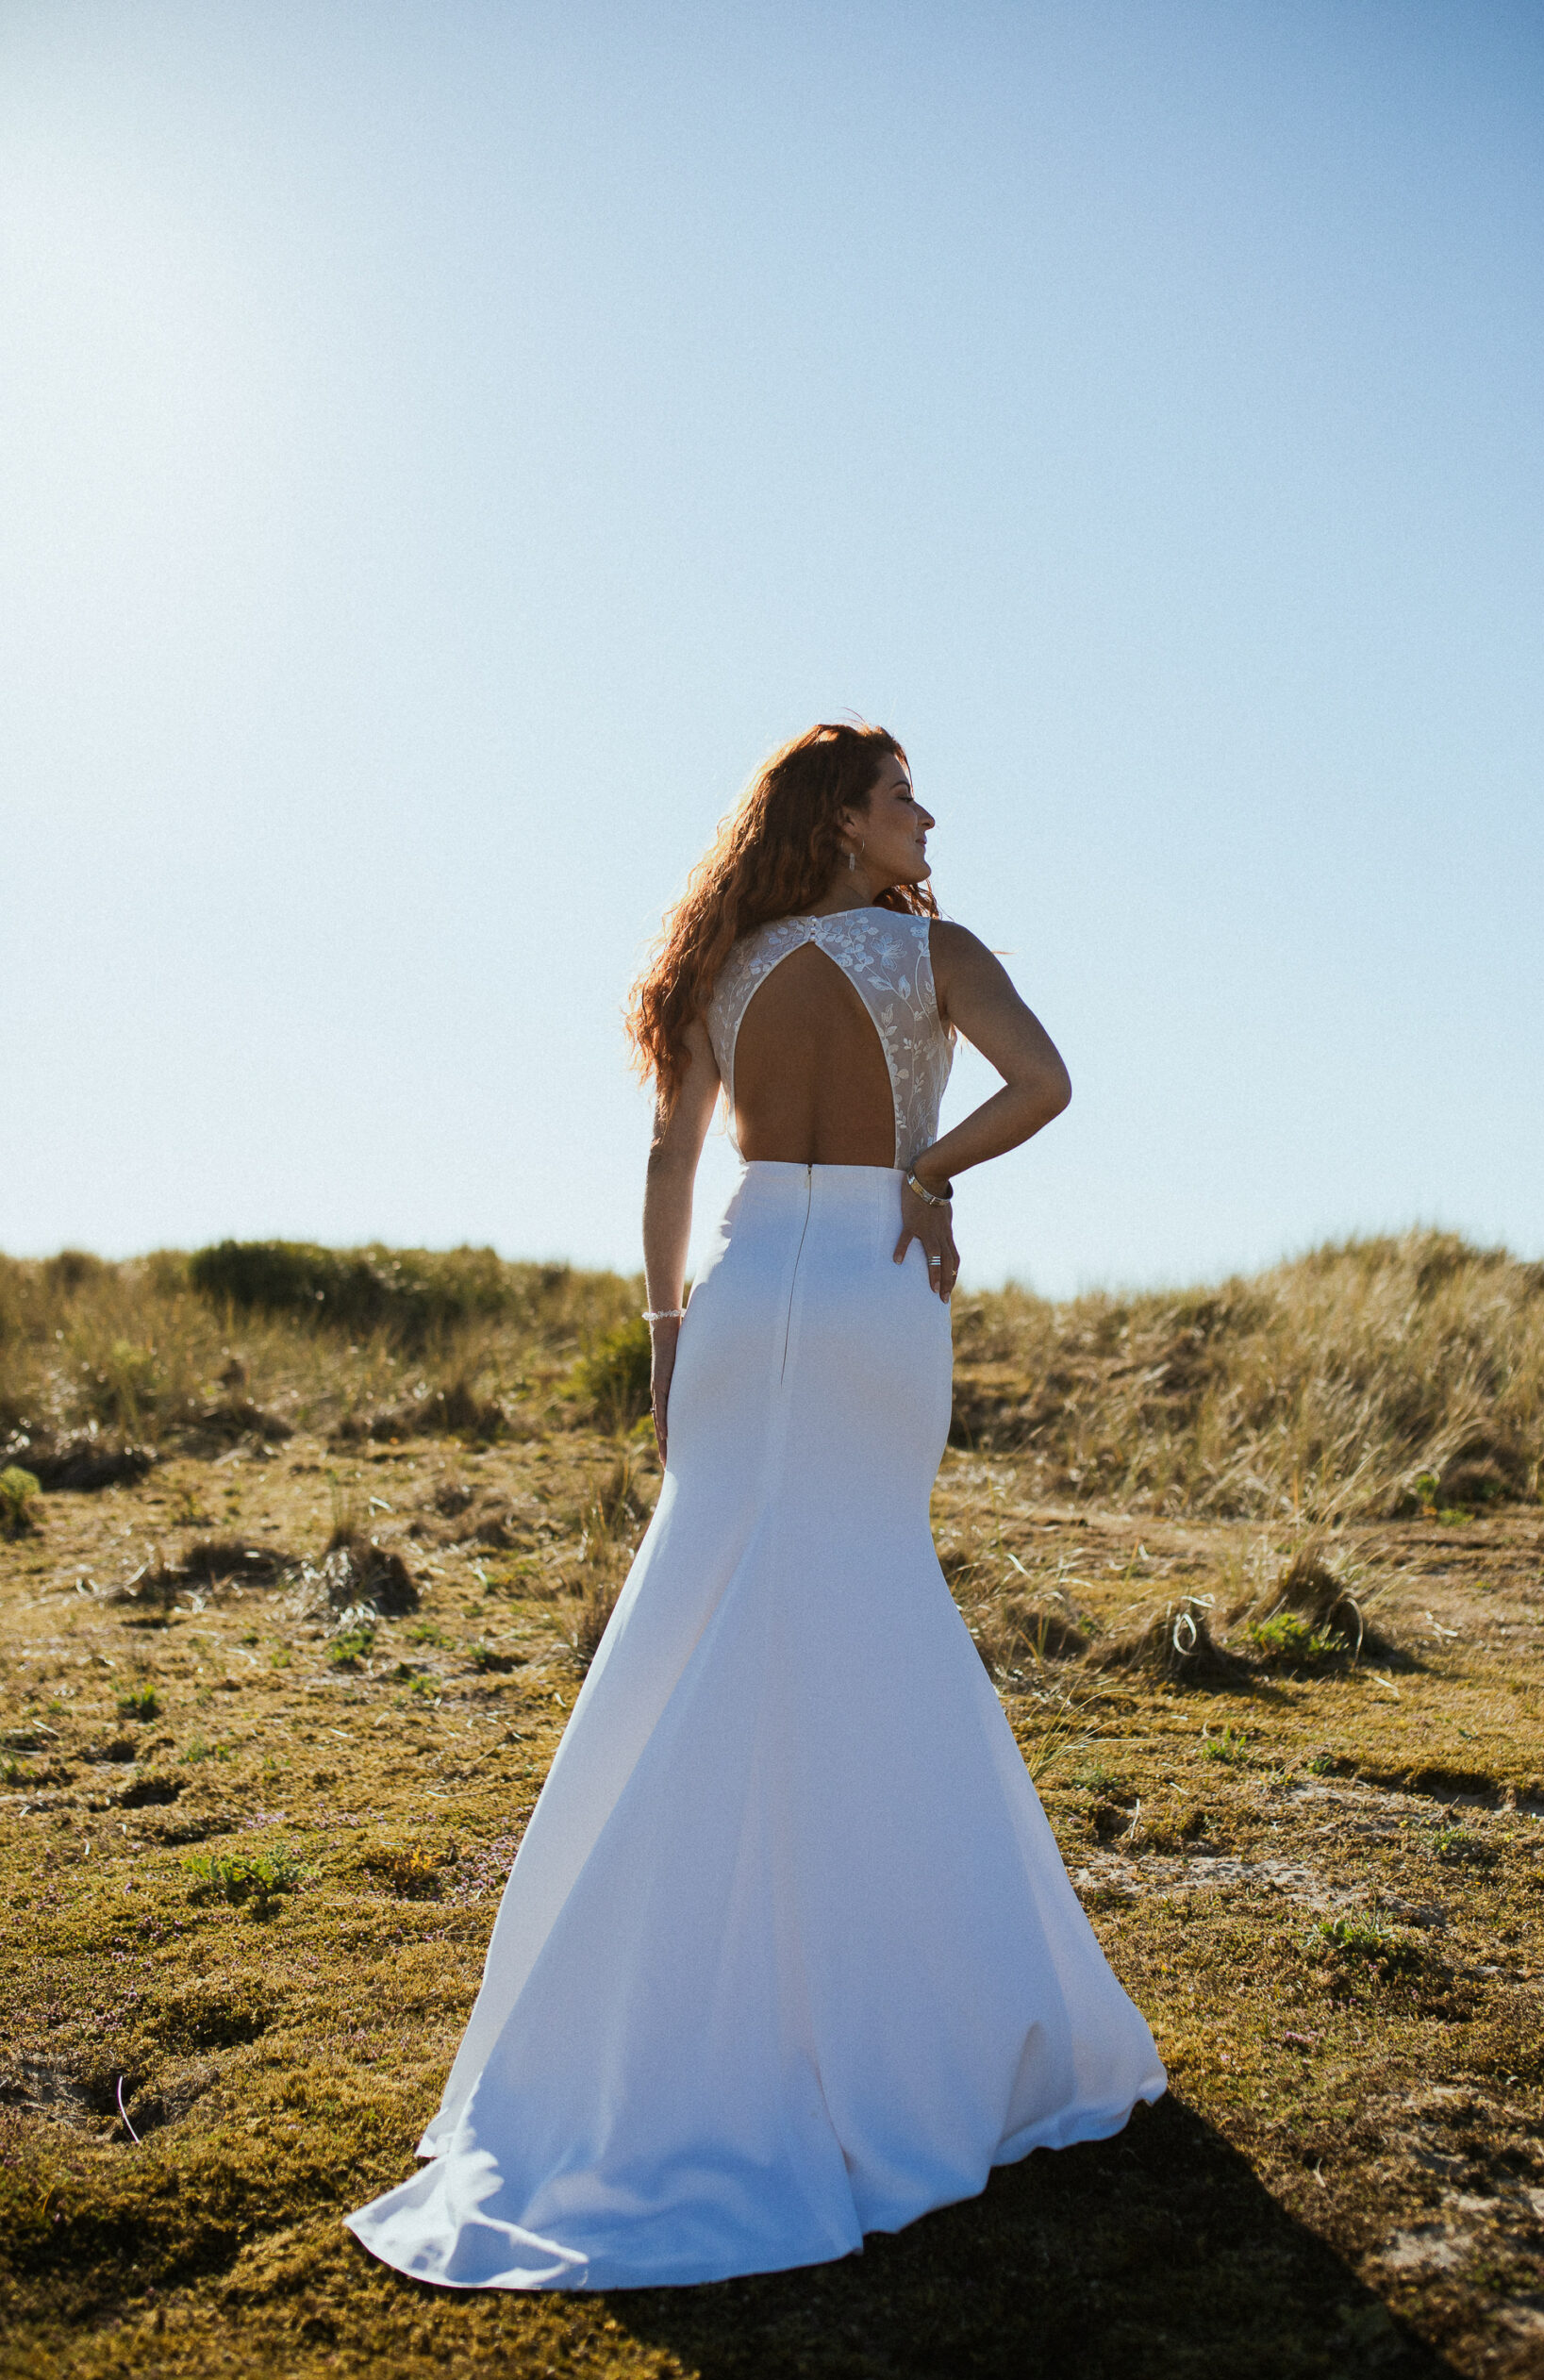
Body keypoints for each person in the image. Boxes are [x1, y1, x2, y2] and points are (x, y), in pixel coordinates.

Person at [346, 723, 1166, 2292]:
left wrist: (664, 1334)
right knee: (869, 1602)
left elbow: (669, 1155)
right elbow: (1048, 1086)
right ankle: (904, 2024)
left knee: (704, 1608)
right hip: (867, 1289)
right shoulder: (932, 954)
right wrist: (929, 1175)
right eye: (905, 796)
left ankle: (645, 2024)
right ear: (847, 824)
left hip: (733, 1291)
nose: (928, 817)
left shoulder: (722, 960)